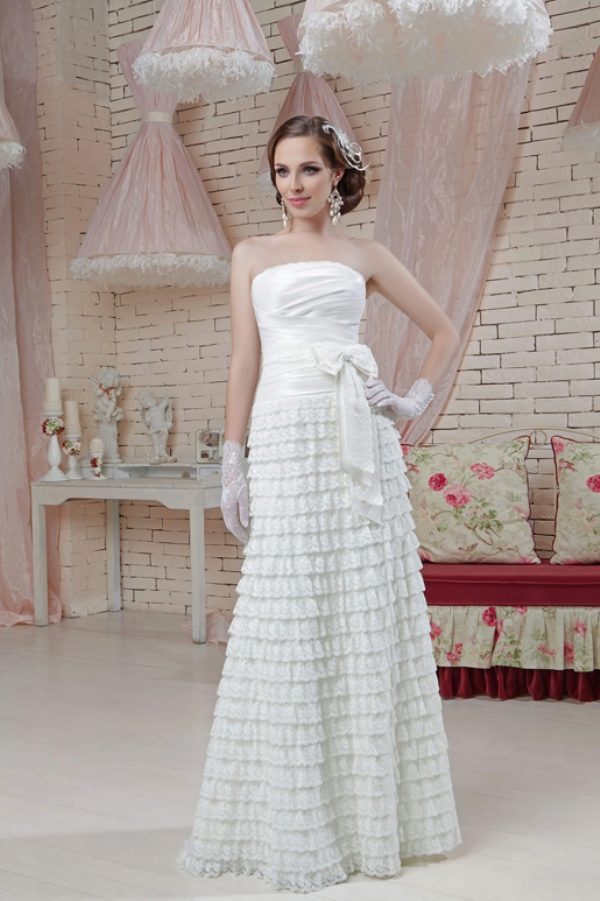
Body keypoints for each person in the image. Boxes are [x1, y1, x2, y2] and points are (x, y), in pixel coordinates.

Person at [178, 114, 463, 893]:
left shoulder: (365, 255)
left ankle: (371, 817)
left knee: (361, 612)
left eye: (308, 168)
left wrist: (408, 401)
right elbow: (244, 357)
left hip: (357, 441)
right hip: (284, 437)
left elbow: (442, 330)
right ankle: (290, 813)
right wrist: (233, 458)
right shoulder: (250, 254)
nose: (294, 184)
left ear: (337, 174)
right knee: (288, 615)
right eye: (282, 171)